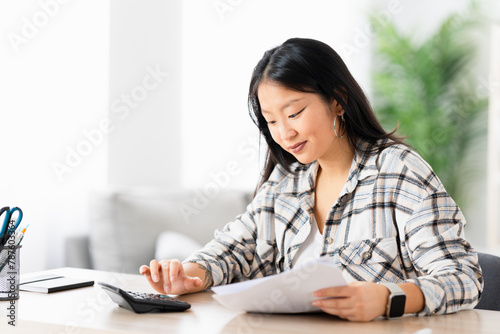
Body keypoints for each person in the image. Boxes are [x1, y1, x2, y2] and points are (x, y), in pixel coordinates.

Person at [140, 38, 483, 321]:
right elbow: (236, 248)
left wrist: (385, 299)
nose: (284, 133)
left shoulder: (398, 171)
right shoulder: (287, 181)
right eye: (271, 121)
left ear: (338, 101)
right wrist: (192, 273)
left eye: (294, 113)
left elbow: (462, 278)